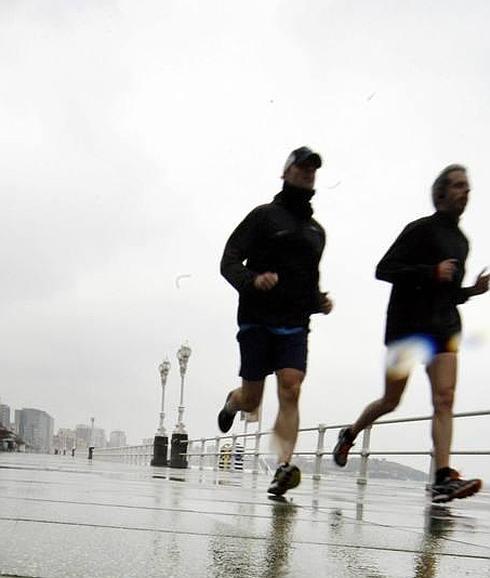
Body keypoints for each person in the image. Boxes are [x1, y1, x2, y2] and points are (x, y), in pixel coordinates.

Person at [333, 164, 489, 503]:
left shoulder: (462, 241)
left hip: (444, 327)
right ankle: (351, 432)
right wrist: (430, 271)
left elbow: (447, 292)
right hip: (406, 328)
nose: (467, 192)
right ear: (441, 193)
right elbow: (383, 269)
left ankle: (442, 477)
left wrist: (472, 291)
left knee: (444, 399)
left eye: (469, 187)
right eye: (459, 186)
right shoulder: (419, 230)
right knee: (391, 400)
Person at [218, 146, 333, 496]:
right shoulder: (263, 216)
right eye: (301, 167)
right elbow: (229, 261)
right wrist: (252, 280)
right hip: (256, 318)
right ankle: (232, 402)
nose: (308, 172)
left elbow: (307, 281)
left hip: (294, 323)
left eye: (313, 168)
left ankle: (283, 467)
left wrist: (319, 301)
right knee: (253, 400)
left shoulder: (316, 232)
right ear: (285, 173)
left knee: (291, 387)